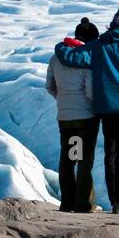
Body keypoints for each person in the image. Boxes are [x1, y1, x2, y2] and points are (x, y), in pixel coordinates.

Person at [53, 6, 119, 214]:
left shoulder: (98, 46)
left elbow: (71, 57)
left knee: (111, 156)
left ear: (112, 25)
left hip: (107, 111)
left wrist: (60, 46)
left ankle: (116, 204)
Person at [46, 17, 101, 212]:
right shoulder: (85, 58)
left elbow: (49, 86)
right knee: (85, 161)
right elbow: (90, 92)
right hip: (86, 119)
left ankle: (67, 202)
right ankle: (84, 204)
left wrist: (63, 101)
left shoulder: (55, 58)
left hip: (66, 119)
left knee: (69, 158)